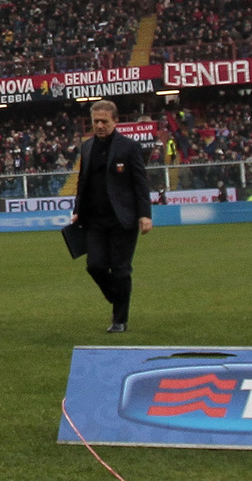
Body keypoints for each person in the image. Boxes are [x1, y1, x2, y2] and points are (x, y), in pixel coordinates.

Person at [71, 100, 153, 333]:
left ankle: (120, 320)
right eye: (96, 121)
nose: (99, 125)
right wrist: (78, 210)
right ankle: (118, 298)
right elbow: (82, 182)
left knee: (120, 269)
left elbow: (140, 184)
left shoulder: (129, 147)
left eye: (104, 121)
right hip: (94, 220)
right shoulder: (87, 147)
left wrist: (145, 215)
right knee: (94, 265)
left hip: (122, 219)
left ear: (115, 122)